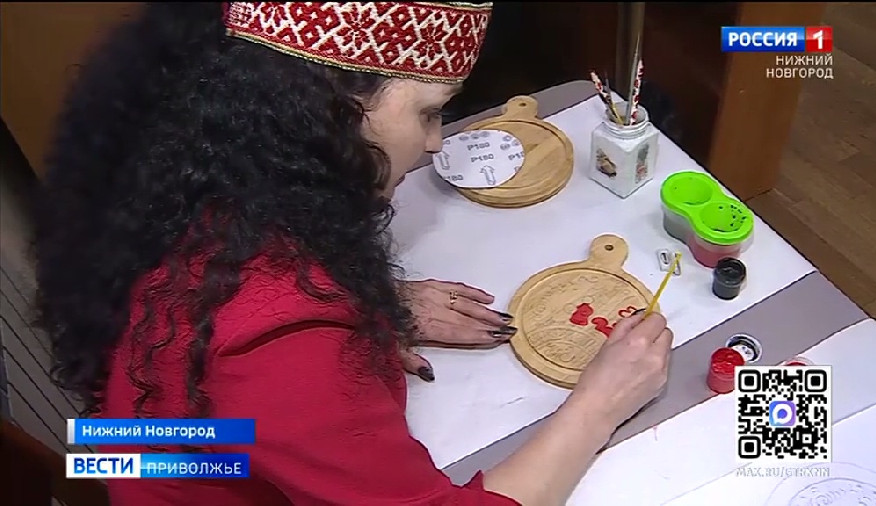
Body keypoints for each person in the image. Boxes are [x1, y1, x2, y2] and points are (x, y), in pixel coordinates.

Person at [34, 3, 673, 505]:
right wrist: (599, 404)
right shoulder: (278, 341)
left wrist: (370, 306)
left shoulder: (212, 179)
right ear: (331, 109)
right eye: (428, 113)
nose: (434, 143)